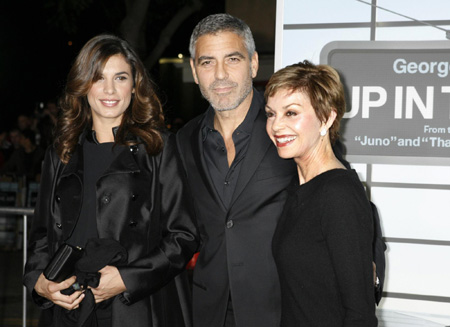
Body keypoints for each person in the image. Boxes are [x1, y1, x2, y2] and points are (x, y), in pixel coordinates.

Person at [176, 13, 385, 327]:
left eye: (232, 59)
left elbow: (349, 204)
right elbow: (184, 226)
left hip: (281, 309)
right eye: (207, 62)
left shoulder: (292, 130)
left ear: (254, 63)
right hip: (209, 310)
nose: (220, 74)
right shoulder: (184, 139)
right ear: (194, 69)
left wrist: (365, 274)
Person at [23, 34, 199, 327]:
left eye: (120, 77)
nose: (109, 89)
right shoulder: (62, 151)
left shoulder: (159, 148)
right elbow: (42, 234)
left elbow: (184, 235)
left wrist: (127, 279)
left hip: (136, 306)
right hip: (68, 306)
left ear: (134, 85)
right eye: (98, 77)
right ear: (83, 85)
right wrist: (38, 282)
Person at [265, 60, 378, 326]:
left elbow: (360, 314)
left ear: (327, 118)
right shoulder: (299, 187)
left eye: (291, 113)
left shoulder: (337, 194)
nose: (276, 126)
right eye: (271, 114)